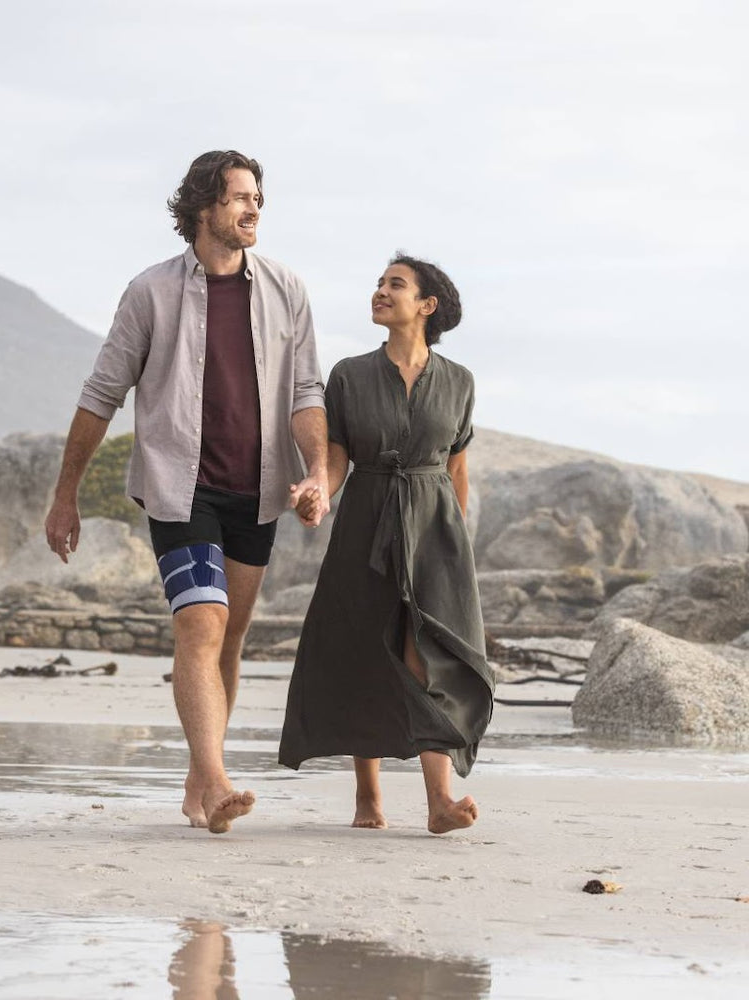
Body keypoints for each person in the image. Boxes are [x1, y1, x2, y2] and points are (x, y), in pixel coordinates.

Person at [44, 150, 329, 834]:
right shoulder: (151, 292)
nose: (253, 208)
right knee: (200, 624)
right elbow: (102, 394)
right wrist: (66, 495)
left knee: (228, 639)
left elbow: (306, 390)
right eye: (239, 198)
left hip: (257, 490)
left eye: (258, 196)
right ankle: (221, 781)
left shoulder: (287, 288)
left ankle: (200, 785)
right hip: (181, 487)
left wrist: (317, 470)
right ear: (204, 207)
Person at [280, 253, 493, 834]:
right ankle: (368, 799)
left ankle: (438, 802)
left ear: (427, 306)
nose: (379, 291)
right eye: (378, 283)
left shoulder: (459, 382)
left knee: (430, 660)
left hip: (435, 530)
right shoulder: (349, 374)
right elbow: (338, 459)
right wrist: (316, 491)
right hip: (367, 518)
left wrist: (454, 546)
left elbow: (456, 468)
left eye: (394, 285)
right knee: (364, 652)